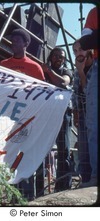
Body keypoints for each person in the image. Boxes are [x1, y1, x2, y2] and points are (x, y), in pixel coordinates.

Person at [0, 28, 45, 200]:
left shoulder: (35, 67)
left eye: (17, 41)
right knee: (10, 155)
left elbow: (43, 94)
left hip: (28, 120)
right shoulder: (3, 65)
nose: (13, 43)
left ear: (26, 43)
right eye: (12, 40)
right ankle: (13, 195)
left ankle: (27, 197)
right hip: (8, 119)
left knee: (26, 155)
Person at [41, 47, 73, 192]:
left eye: (61, 57)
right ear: (50, 56)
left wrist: (49, 72)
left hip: (62, 114)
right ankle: (39, 187)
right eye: (55, 56)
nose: (58, 59)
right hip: (46, 114)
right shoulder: (42, 70)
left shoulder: (66, 71)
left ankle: (63, 186)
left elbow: (63, 83)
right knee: (41, 149)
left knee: (63, 151)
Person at [78, 6, 98, 188]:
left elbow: (91, 39)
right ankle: (96, 176)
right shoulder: (94, 12)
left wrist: (95, 37)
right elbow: (85, 42)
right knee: (94, 126)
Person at [72, 39, 93, 184]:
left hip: (94, 114)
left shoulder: (95, 69)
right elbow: (75, 93)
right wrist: (75, 112)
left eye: (81, 49)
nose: (78, 53)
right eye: (75, 51)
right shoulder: (76, 71)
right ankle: (85, 180)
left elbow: (88, 92)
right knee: (83, 150)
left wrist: (81, 72)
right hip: (82, 114)